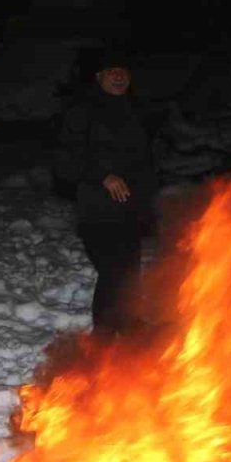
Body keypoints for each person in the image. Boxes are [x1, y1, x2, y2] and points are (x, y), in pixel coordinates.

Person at [55, 48, 157, 335]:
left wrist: (149, 203)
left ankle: (131, 334)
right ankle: (104, 342)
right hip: (97, 213)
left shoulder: (136, 110)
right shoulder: (82, 111)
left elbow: (144, 161)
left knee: (130, 279)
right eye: (112, 71)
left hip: (131, 212)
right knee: (114, 275)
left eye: (123, 71)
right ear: (98, 76)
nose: (119, 76)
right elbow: (65, 162)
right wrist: (103, 176)